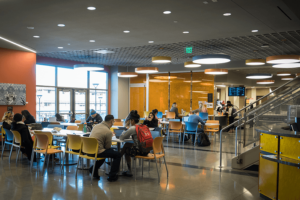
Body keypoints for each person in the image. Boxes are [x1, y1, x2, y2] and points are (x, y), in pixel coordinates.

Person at [89, 114, 121, 182]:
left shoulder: (96, 126)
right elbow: (107, 147)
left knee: (105, 152)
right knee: (118, 154)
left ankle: (93, 169)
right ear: (111, 121)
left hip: (89, 150)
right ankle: (112, 176)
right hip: (98, 151)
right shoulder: (108, 131)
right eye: (113, 122)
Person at [120, 110, 152, 177]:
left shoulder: (133, 128)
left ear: (132, 120)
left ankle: (128, 170)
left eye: (129, 120)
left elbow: (121, 138)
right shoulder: (143, 126)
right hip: (147, 150)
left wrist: (125, 129)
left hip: (141, 151)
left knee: (126, 149)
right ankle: (117, 159)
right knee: (127, 145)